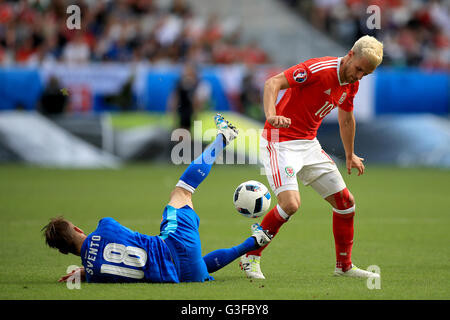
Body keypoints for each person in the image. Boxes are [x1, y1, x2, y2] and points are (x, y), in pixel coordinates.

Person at [42, 114, 272, 284]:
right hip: (174, 243)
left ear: (63, 252)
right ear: (79, 228)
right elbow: (113, 243)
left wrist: (86, 270)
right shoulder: (105, 226)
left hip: (182, 276)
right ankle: (224, 136)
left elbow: (102, 264)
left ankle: (255, 241)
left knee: (198, 264)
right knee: (182, 191)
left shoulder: (94, 275)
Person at [240, 35, 383, 279]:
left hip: (308, 145)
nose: (359, 77)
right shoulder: (318, 69)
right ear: (350, 55)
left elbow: (346, 118)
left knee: (346, 204)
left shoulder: (351, 83)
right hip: (280, 142)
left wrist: (350, 154)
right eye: (359, 69)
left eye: (365, 75)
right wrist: (271, 114)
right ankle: (250, 256)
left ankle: (344, 267)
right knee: (290, 204)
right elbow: (272, 83)